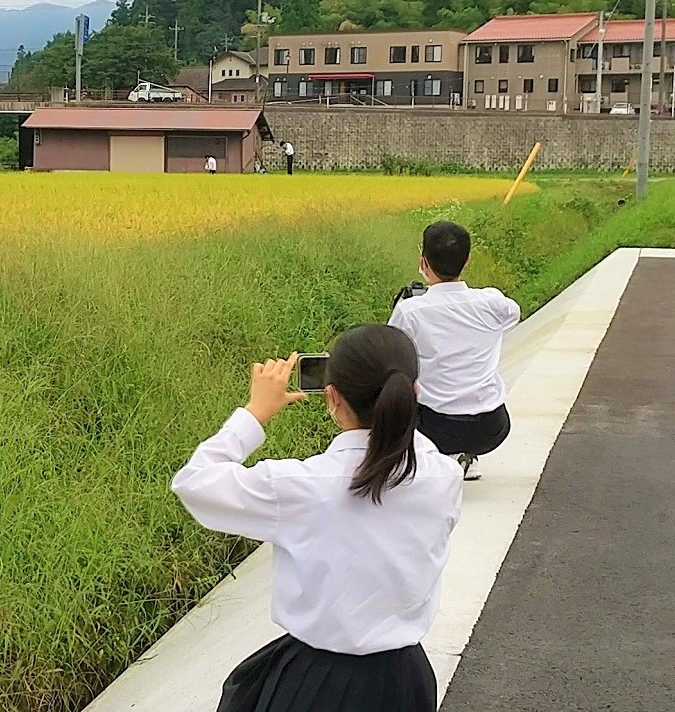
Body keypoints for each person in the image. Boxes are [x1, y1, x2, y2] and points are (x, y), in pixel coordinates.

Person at [172, 327, 463, 712]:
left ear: (332, 399)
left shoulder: (299, 486)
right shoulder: (444, 475)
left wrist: (254, 413)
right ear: (415, 393)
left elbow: (194, 483)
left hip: (318, 683)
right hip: (406, 679)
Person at [389, 221, 519, 481]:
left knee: (397, 379)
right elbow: (512, 315)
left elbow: (392, 352)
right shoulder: (493, 302)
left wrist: (402, 305)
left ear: (423, 262)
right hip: (493, 427)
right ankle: (469, 458)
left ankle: (421, 463)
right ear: (468, 259)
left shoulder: (410, 310)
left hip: (437, 429)